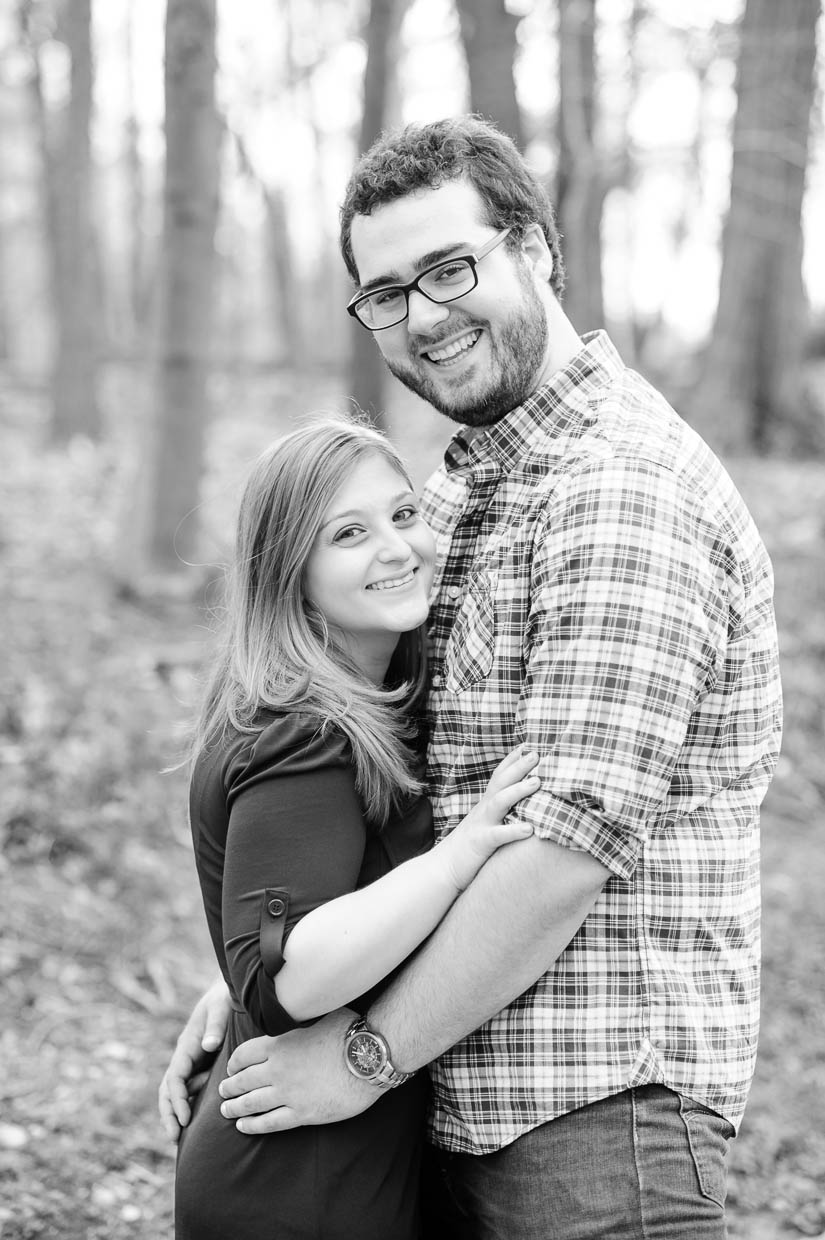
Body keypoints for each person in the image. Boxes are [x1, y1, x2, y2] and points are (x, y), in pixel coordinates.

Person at [161, 116, 782, 1239]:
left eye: (451, 268)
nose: (425, 316)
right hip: (443, 1109)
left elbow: (560, 848)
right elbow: (389, 797)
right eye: (387, 291)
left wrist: (359, 1050)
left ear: (535, 248)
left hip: (595, 1125)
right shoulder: (454, 499)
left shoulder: (618, 493)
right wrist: (271, 972)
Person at [172, 414, 543, 1239]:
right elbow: (291, 974)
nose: (396, 547)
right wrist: (455, 860)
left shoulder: (359, 705)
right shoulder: (305, 729)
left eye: (403, 515)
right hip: (294, 1186)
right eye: (349, 532)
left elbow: (287, 921)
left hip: (333, 1163)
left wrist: (230, 985)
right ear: (290, 574)